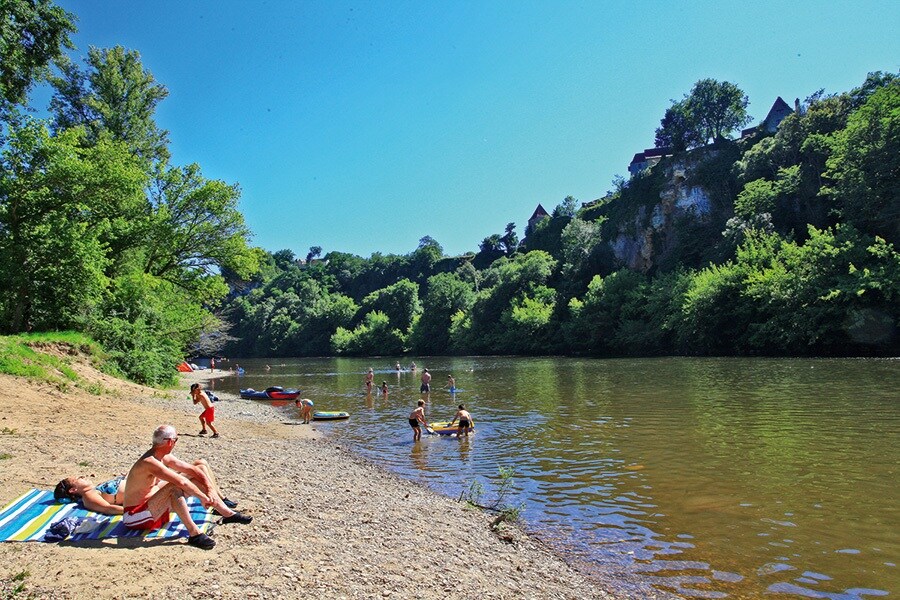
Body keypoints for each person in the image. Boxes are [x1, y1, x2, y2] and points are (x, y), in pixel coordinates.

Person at [122, 425, 252, 549]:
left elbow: (194, 470)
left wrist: (210, 490)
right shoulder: (150, 462)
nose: (176, 443)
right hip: (135, 516)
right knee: (174, 487)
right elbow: (181, 482)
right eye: (176, 440)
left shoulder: (162, 456)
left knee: (197, 471)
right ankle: (194, 534)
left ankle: (227, 513)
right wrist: (202, 497)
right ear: (169, 442)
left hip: (152, 507)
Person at [54, 466, 239, 516]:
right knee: (194, 473)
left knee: (200, 464)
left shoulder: (94, 490)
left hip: (148, 486)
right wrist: (139, 510)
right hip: (148, 494)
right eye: (78, 479)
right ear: (73, 489)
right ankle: (218, 504)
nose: (82, 476)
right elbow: (109, 509)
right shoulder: (89, 497)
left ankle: (221, 499)